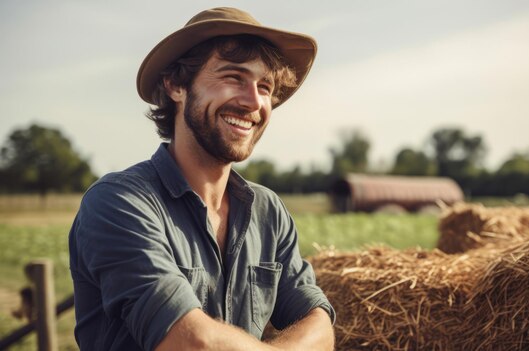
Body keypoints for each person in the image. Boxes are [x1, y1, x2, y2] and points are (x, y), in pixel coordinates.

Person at [68, 7, 335, 351]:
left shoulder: (269, 212)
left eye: (265, 86)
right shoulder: (119, 202)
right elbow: (193, 343)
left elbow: (321, 327)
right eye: (233, 77)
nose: (254, 102)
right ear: (176, 85)